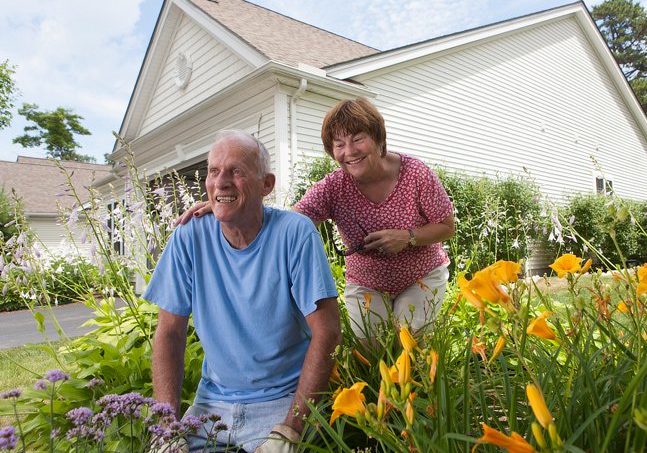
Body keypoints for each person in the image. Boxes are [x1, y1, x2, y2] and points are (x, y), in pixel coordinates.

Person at [177, 98, 454, 337]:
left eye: (358, 138)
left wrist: (407, 237)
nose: (349, 151)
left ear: (378, 138)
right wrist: (234, 204)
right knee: (370, 349)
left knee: (410, 340)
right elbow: (292, 222)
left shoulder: (415, 173)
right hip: (367, 283)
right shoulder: (334, 186)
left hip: (420, 276)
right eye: (339, 144)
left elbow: (446, 227)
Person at [146, 130, 341, 453]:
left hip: (281, 404)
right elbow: (169, 332)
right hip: (212, 406)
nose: (221, 182)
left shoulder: (295, 234)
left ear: (266, 184)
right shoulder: (189, 236)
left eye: (236, 171)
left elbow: (328, 332)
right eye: (213, 171)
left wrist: (290, 430)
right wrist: (166, 426)